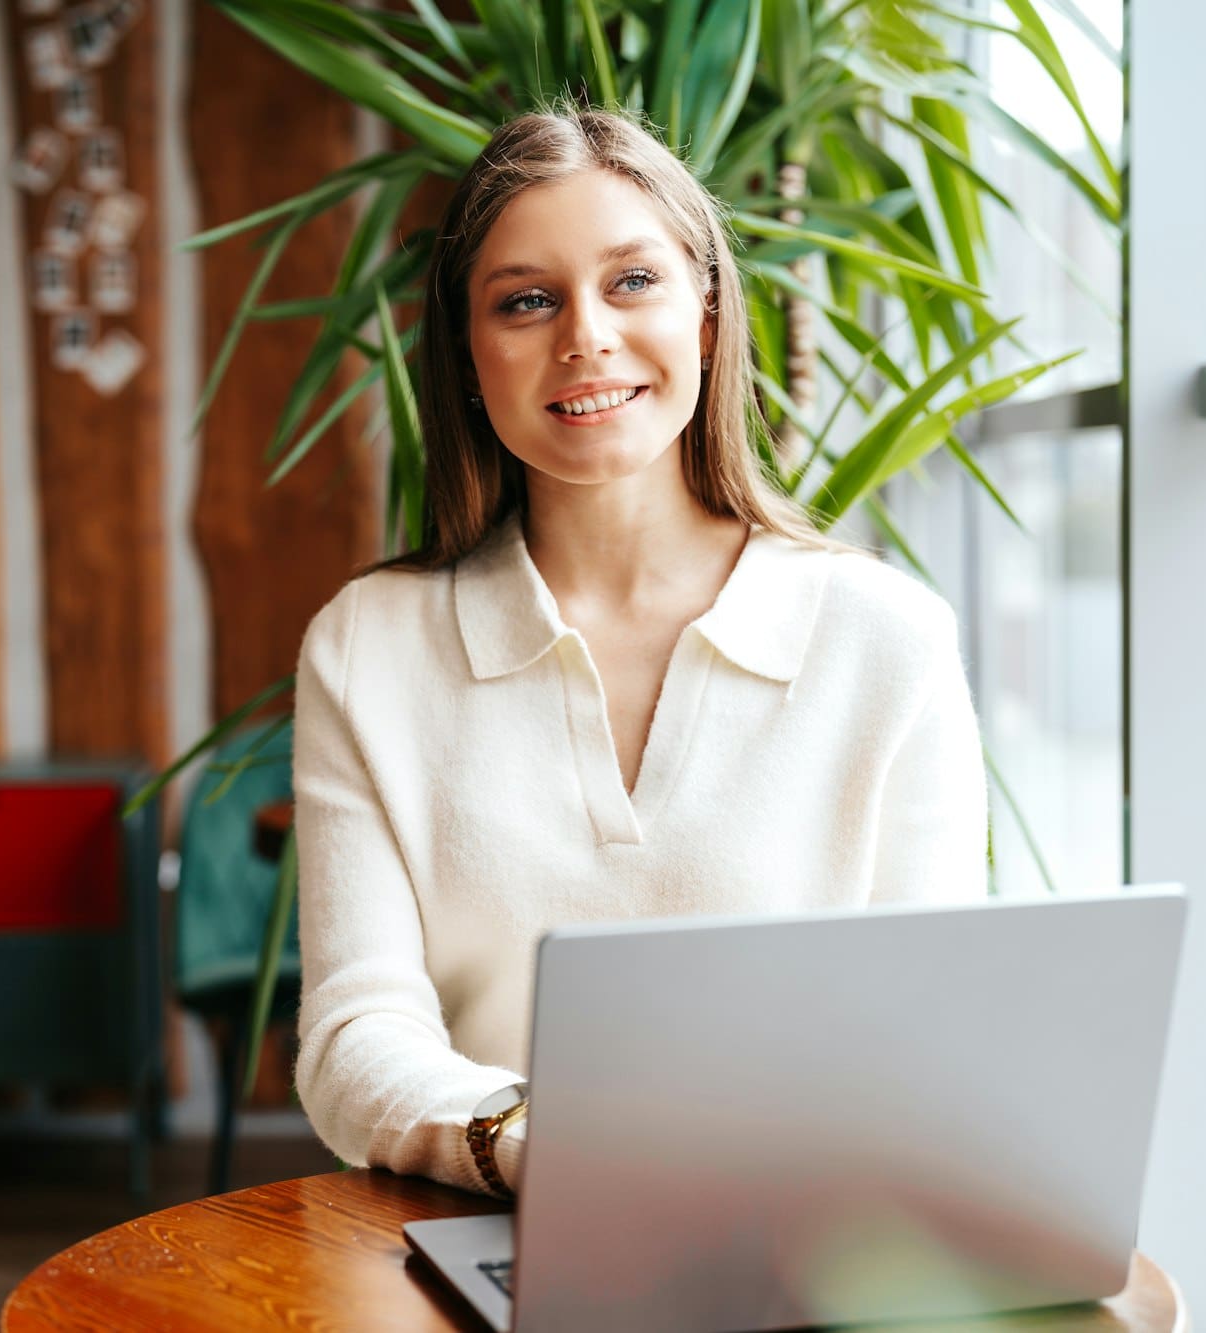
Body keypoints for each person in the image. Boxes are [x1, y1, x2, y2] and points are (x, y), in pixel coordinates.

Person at [290, 107, 988, 1201]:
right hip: (488, 1230)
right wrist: (533, 1144)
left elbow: (939, 1030)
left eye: (630, 282)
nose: (583, 337)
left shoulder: (885, 640)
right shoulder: (366, 649)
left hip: (801, 1233)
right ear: (469, 355)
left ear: (706, 317)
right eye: (525, 300)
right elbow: (353, 1031)